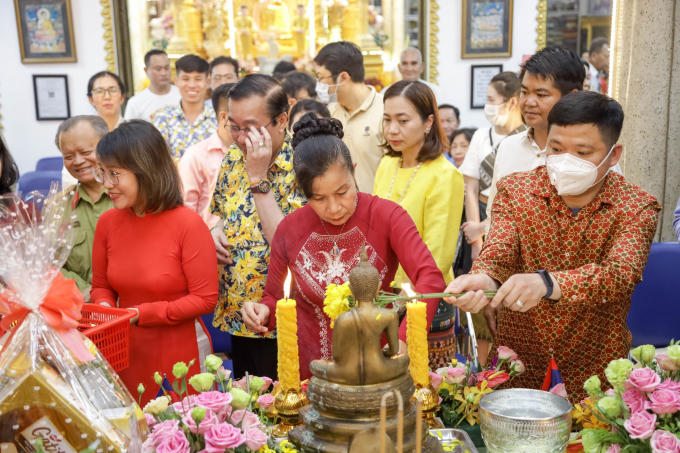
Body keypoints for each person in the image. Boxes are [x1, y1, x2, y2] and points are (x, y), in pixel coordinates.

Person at [444, 91, 661, 401]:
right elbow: (500, 250)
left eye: (582, 152)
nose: (566, 161)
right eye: (556, 149)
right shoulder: (516, 190)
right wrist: (485, 278)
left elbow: (620, 274)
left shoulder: (636, 206)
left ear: (613, 155)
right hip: (518, 362)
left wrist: (547, 283)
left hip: (595, 368)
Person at [242, 116, 446, 380]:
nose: (334, 207)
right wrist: (262, 312)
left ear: (354, 171)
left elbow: (430, 278)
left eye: (342, 192)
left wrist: (405, 339)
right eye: (319, 198)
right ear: (303, 193)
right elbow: (274, 297)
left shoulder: (387, 216)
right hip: (311, 375)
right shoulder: (289, 230)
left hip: (377, 370)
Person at [91, 120, 218, 404]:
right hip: (125, 349)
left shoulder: (188, 224)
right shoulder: (108, 223)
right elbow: (101, 286)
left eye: (115, 174)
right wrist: (105, 310)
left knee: (182, 424)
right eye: (103, 173)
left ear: (145, 170)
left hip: (179, 351)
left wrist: (143, 313)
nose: (107, 184)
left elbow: (205, 298)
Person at [209, 74, 305, 379]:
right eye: (233, 126)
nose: (240, 137)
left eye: (250, 128)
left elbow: (290, 247)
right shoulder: (232, 158)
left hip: (285, 316)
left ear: (281, 120)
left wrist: (258, 176)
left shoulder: (304, 162)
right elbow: (220, 214)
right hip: (239, 310)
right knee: (247, 401)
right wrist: (215, 232)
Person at [374, 80, 464, 368]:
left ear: (428, 123)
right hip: (384, 295)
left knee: (426, 385)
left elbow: (438, 256)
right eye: (387, 120)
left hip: (426, 297)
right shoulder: (388, 164)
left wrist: (403, 300)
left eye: (403, 121)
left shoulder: (444, 175)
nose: (392, 130)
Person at [486, 47, 586, 221]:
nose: (529, 102)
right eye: (524, 92)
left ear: (571, 97)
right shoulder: (508, 147)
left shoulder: (591, 154)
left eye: (541, 94)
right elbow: (494, 214)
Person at [459, 72, 526, 263]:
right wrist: (476, 240)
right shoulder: (481, 135)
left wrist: (482, 227)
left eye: (491, 100)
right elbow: (471, 189)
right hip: (478, 212)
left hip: (511, 221)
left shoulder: (527, 137)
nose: (487, 106)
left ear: (512, 102)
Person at [314, 41, 384, 193]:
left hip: (377, 205)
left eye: (321, 78)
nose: (318, 85)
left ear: (343, 78)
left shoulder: (385, 112)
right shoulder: (329, 114)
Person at [55, 116, 113, 296]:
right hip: (81, 303)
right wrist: (88, 292)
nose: (78, 161)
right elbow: (51, 265)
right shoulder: (57, 207)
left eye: (86, 152)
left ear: (107, 147)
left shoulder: (131, 198)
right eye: (68, 156)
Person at [178, 83, 234, 229]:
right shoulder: (196, 156)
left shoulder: (255, 151)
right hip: (208, 237)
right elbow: (186, 209)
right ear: (224, 117)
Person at [64, 71, 127, 188]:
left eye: (113, 90)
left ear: (122, 97)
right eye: (99, 91)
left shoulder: (133, 133)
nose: (107, 97)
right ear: (91, 99)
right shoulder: (79, 135)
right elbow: (69, 180)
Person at [152, 54, 217, 160]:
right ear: (176, 82)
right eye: (185, 79)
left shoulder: (219, 119)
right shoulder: (162, 118)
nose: (192, 85)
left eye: (198, 79)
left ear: (207, 82)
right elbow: (158, 159)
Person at [124, 49, 181, 122]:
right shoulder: (135, 103)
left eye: (167, 68)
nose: (163, 73)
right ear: (146, 70)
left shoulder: (182, 95)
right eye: (158, 69)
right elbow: (128, 128)